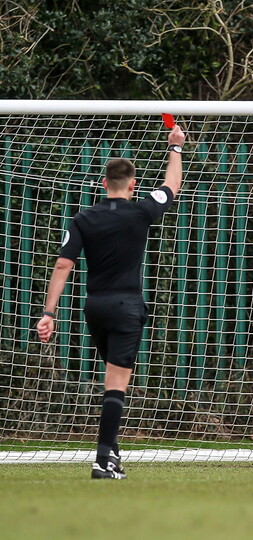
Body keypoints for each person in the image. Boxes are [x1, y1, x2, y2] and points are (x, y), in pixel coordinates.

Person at [35, 124, 187, 480]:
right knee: (116, 384)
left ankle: (112, 453)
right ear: (132, 186)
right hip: (126, 308)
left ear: (104, 184)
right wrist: (175, 148)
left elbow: (62, 264)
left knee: (112, 378)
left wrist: (48, 312)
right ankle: (103, 460)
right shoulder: (141, 212)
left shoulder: (84, 218)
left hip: (95, 309)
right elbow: (171, 187)